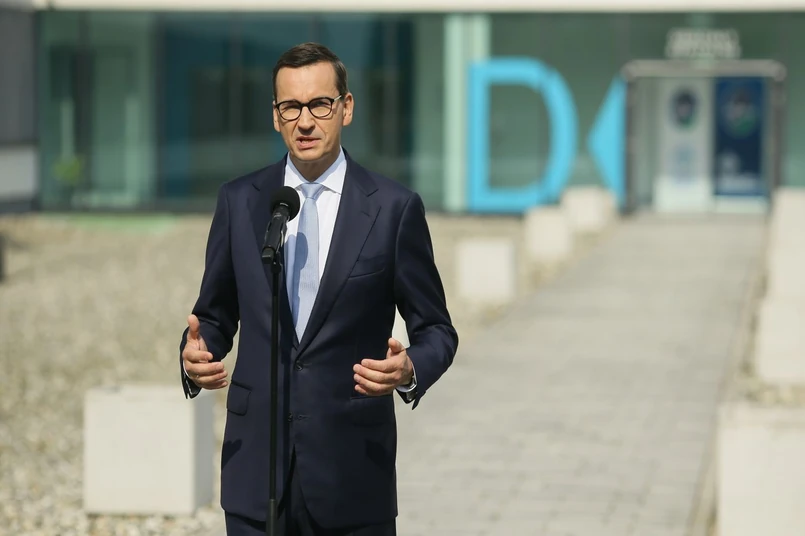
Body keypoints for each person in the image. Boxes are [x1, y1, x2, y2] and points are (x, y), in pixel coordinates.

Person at [179, 42, 458, 536]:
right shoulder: (240, 202)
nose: (305, 121)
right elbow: (215, 315)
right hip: (257, 474)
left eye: (320, 105)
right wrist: (196, 354)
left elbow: (437, 329)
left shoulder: (393, 209)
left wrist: (409, 368)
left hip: (353, 476)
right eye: (291, 107)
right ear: (275, 116)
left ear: (346, 108)